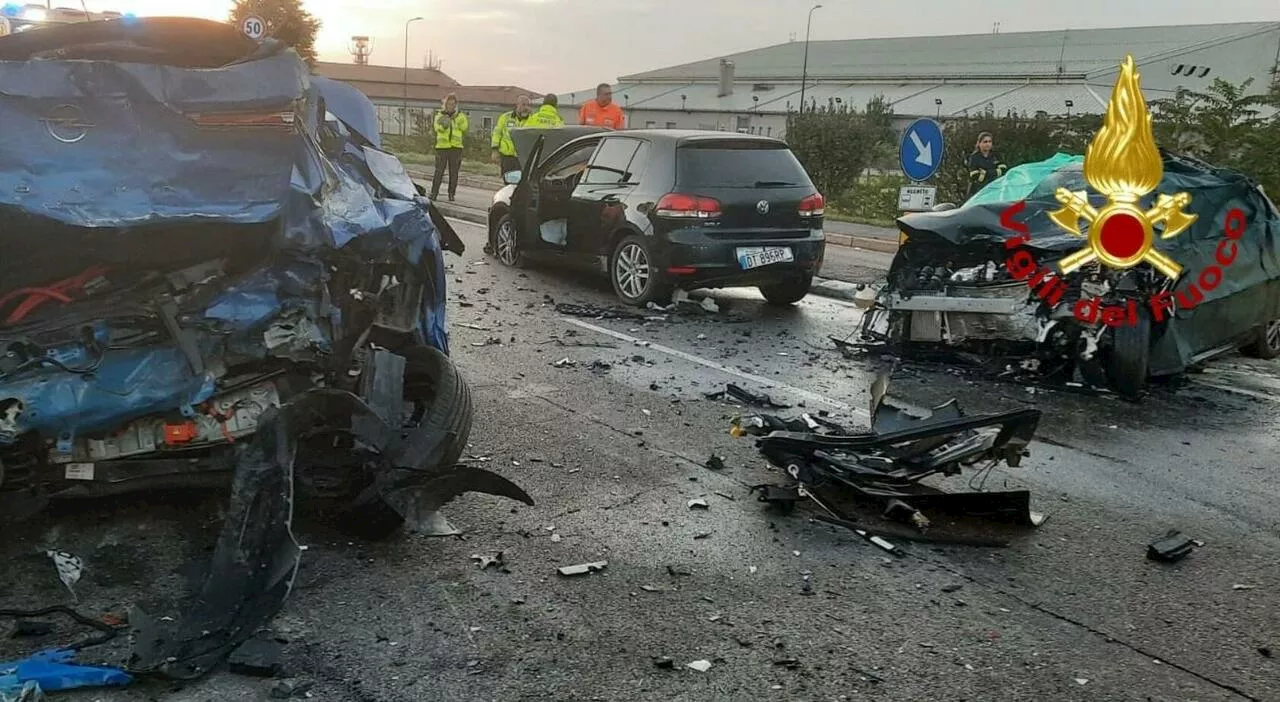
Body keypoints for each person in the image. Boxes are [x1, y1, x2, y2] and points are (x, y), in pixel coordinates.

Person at [431, 93, 468, 202]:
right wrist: (444, 123)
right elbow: (437, 128)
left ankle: (451, 194)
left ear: (456, 105)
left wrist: (455, 119)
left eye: (453, 104)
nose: (451, 106)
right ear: (445, 104)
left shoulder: (461, 116)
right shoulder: (440, 115)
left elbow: (464, 127)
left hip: (456, 148)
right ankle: (434, 193)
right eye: (448, 104)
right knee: (439, 171)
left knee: (454, 172)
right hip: (442, 147)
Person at [491, 94, 532, 176]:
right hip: (507, 157)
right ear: (517, 105)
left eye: (528, 105)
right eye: (523, 104)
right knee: (507, 183)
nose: (526, 107)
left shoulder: (532, 120)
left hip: (522, 159)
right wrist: (495, 150)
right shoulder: (506, 117)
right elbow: (497, 133)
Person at [966, 132, 1007, 198]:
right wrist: (995, 171)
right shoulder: (974, 157)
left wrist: (985, 173)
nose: (988, 144)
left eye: (990, 141)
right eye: (985, 142)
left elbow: (1003, 170)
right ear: (979, 143)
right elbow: (975, 176)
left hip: (995, 189)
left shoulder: (996, 155)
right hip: (978, 191)